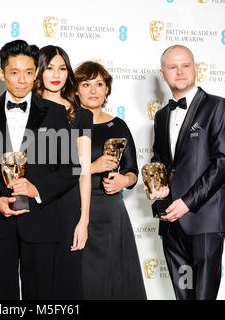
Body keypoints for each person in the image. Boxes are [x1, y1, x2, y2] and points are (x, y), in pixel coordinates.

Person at [0, 39, 77, 300]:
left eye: (29, 72)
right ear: (1, 73)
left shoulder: (55, 112)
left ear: (36, 74)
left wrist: (37, 189)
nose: (22, 80)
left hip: (41, 220)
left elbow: (71, 168)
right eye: (14, 72)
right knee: (0, 296)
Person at [147, 45, 225, 300]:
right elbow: (161, 160)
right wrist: (157, 184)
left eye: (186, 65)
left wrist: (187, 203)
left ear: (196, 68)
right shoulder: (162, 115)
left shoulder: (218, 106)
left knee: (202, 296)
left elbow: (224, 162)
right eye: (172, 67)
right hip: (171, 221)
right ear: (162, 74)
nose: (180, 72)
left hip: (205, 219)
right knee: (183, 294)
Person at [75, 61, 147, 300]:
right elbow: (57, 172)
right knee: (80, 278)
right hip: (75, 209)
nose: (94, 90)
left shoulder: (118, 124)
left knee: (116, 280)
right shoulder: (67, 123)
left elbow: (133, 170)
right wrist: (93, 167)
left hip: (110, 211)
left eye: (99, 84)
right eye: (86, 84)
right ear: (76, 89)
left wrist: (123, 181)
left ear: (107, 89)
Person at [33, 45, 92, 299]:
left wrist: (84, 219)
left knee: (68, 280)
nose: (56, 74)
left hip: (69, 207)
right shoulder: (28, 109)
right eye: (49, 68)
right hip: (34, 204)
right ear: (38, 71)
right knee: (37, 280)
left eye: (62, 68)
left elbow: (84, 170)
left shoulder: (81, 115)